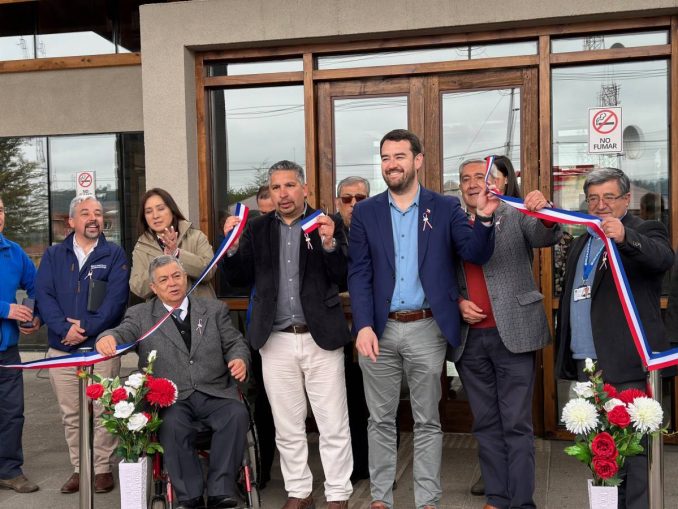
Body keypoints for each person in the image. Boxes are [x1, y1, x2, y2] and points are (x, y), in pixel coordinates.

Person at [348, 129, 498, 509]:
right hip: (378, 330)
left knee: (427, 420)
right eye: (385, 157)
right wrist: (362, 325)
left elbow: (474, 252)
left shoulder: (444, 207)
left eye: (399, 156)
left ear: (417, 160)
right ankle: (381, 498)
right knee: (379, 420)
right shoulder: (366, 212)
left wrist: (483, 218)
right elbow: (359, 273)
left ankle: (428, 500)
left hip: (427, 328)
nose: (391, 164)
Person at [222, 160, 353, 509]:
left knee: (332, 422)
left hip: (320, 337)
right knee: (287, 424)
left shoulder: (325, 223)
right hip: (275, 339)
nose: (283, 193)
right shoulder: (257, 228)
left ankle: (338, 493)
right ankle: (299, 491)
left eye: (290, 185)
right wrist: (231, 247)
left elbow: (343, 275)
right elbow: (238, 277)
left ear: (304, 189)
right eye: (276, 187)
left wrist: (329, 244)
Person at [555, 167, 674, 509]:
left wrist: (624, 237)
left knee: (633, 453)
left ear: (626, 199)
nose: (600, 204)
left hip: (625, 365)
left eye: (609, 196)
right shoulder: (583, 240)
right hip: (587, 364)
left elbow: (663, 258)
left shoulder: (644, 230)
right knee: (601, 453)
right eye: (593, 198)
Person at [96, 255, 250, 509]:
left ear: (186, 278)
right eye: (164, 280)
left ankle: (221, 491)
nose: (172, 283)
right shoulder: (141, 315)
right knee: (172, 424)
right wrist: (107, 337)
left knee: (236, 414)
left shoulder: (213, 310)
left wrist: (239, 358)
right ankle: (190, 497)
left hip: (214, 392)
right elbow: (122, 332)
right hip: (172, 399)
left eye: (177, 276)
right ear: (154, 288)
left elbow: (235, 342)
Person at [451, 158, 561, 509]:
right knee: (485, 423)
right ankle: (497, 497)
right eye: (465, 179)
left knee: (516, 423)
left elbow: (546, 234)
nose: (473, 184)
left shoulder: (515, 214)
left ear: (500, 183)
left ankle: (522, 501)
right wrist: (457, 302)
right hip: (470, 340)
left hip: (514, 331)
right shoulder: (451, 222)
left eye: (481, 177)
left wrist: (545, 211)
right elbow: (439, 274)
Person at [35, 195, 129, 494]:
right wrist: (65, 329)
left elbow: (116, 300)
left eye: (98, 213)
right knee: (72, 414)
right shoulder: (53, 255)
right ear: (71, 221)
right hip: (62, 349)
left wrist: (85, 328)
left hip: (101, 347)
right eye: (85, 213)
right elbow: (44, 296)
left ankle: (102, 468)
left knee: (104, 410)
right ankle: (80, 468)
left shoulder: (114, 254)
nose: (93, 218)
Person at [0, 196, 40, 494]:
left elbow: (38, 286)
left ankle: (9, 470)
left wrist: (33, 315)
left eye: (0, 209)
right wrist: (6, 309)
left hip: (8, 351)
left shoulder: (13, 252)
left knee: (12, 413)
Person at [333, 175, 371, 483]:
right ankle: (355, 467)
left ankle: (381, 467)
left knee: (379, 404)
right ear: (338, 203)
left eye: (360, 198)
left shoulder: (379, 226)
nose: (354, 204)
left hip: (372, 327)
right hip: (338, 331)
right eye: (347, 199)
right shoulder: (327, 231)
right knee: (346, 402)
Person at [130, 188, 216, 300]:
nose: (155, 216)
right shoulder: (141, 247)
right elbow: (138, 288)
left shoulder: (196, 237)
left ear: (172, 210)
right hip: (162, 310)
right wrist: (162, 263)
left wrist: (177, 254)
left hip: (200, 308)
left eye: (160, 209)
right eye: (148, 211)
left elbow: (209, 272)